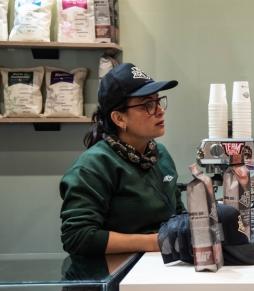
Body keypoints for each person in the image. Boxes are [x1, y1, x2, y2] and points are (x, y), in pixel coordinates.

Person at [60, 63, 185, 255]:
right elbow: (78, 236)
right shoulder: (93, 166)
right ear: (119, 118)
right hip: (110, 276)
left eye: (158, 101)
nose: (160, 110)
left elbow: (177, 212)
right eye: (147, 105)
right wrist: (155, 242)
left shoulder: (161, 154)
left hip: (157, 269)